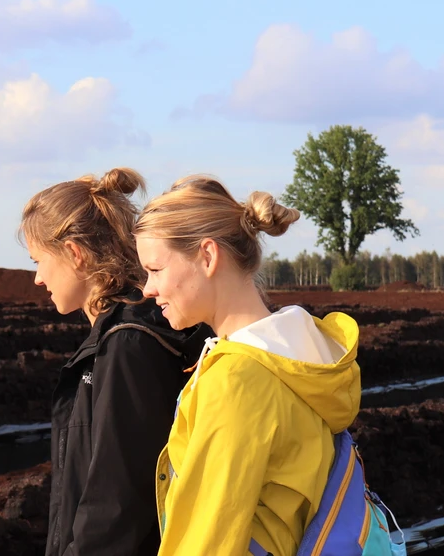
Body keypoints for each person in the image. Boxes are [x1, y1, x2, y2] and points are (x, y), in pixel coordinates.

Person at [135, 175, 362, 556]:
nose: (146, 288)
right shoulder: (300, 356)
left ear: (207, 257)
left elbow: (206, 540)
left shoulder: (236, 381)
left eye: (155, 269)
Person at [20, 168, 214, 556]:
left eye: (38, 260)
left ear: (75, 254)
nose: (38, 278)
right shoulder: (128, 331)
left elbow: (117, 505)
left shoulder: (127, 344)